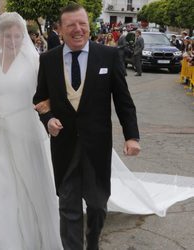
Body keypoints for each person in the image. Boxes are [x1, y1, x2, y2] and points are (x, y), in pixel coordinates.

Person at [33, 3, 141, 250]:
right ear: (60, 29)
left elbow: (124, 101)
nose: (78, 29)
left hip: (97, 147)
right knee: (68, 206)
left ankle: (92, 245)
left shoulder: (108, 55)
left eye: (82, 24)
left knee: (96, 206)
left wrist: (132, 136)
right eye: (71, 25)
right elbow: (40, 98)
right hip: (64, 146)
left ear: (89, 26)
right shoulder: (48, 60)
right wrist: (48, 119)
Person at [0, 12, 62, 250]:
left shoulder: (33, 61)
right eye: (7, 36)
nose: (12, 40)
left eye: (16, 35)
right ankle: (3, 239)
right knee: (0, 185)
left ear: (22, 36)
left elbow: (44, 94)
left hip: (24, 129)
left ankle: (34, 236)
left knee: (28, 183)